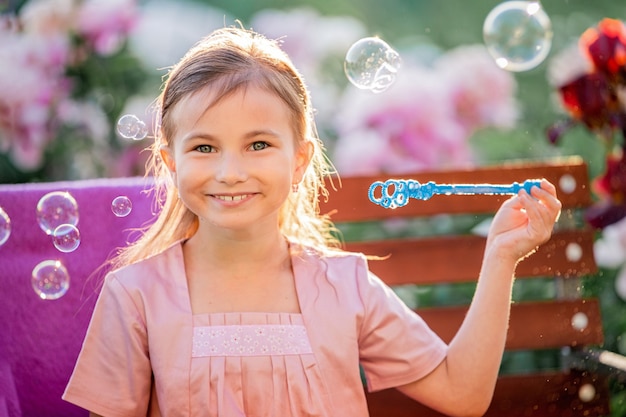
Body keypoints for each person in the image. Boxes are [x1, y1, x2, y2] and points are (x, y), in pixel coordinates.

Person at [63, 26, 562, 417]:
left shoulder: (345, 286)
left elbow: (463, 393)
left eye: (258, 144)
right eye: (203, 147)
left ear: (300, 160)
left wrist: (500, 257)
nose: (230, 172)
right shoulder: (135, 295)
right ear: (170, 161)